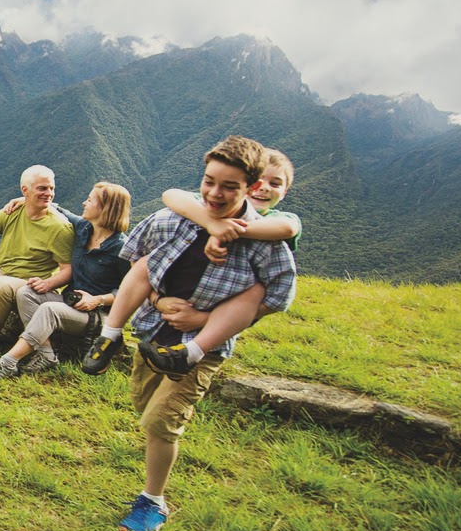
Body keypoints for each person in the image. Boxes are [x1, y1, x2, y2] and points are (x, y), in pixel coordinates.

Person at [88, 136, 296, 531]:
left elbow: (277, 296)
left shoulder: (263, 240)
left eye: (229, 187)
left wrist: (203, 318)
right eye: (209, 181)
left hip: (203, 347)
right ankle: (110, 335)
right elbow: (135, 260)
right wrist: (156, 299)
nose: (215, 193)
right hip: (152, 333)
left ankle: (153, 502)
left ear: (250, 188)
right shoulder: (173, 220)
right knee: (146, 410)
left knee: (162, 421)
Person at [82, 150, 300, 378]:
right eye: (262, 180)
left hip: (210, 331)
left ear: (249, 186)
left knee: (256, 291)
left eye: (275, 183)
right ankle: (110, 334)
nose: (265, 187)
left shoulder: (278, 222)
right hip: (155, 322)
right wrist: (212, 224)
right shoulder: (204, 205)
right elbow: (171, 195)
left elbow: (287, 230)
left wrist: (226, 232)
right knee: (147, 262)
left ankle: (192, 353)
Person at [0, 182, 131, 379]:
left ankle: (7, 362)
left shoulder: (121, 248)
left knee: (49, 309)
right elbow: (60, 209)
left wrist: (97, 300)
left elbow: (130, 292)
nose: (84, 203)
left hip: (97, 315)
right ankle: (46, 354)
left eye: (90, 200)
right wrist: (27, 199)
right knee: (26, 293)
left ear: (105, 208)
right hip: (70, 302)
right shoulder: (83, 228)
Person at [0, 166, 75, 352]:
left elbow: (68, 270)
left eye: (52, 188)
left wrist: (48, 284)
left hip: (29, 285)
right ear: (25, 190)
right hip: (1, 274)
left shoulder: (59, 227)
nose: (49, 193)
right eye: (42, 188)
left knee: (0, 286)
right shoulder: (11, 212)